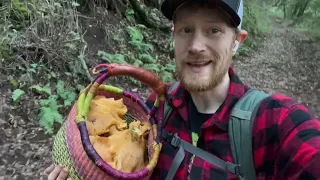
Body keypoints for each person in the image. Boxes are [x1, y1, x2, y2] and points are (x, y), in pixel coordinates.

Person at [45, 0, 320, 179]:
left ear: (237, 41)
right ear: (173, 36)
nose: (196, 45)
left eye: (213, 31)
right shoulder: (155, 108)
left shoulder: (275, 122)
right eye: (186, 30)